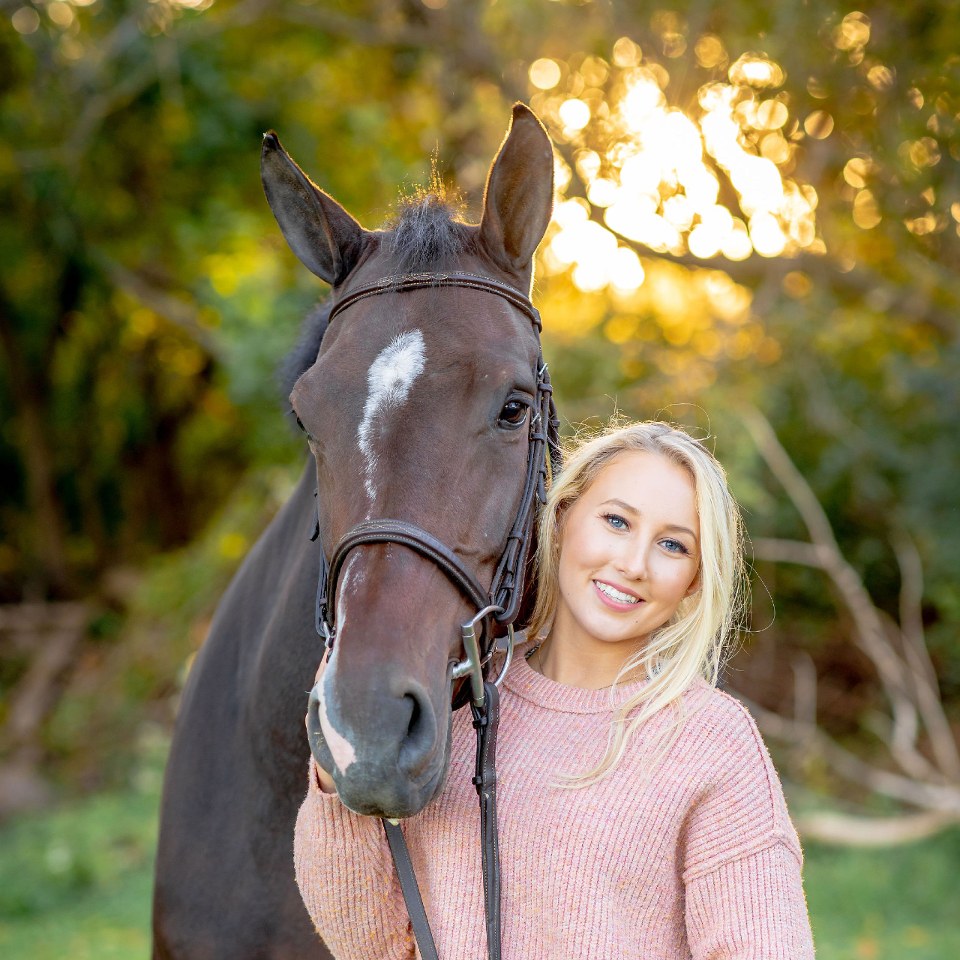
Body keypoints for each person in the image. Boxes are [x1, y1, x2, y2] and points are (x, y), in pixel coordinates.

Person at [294, 421, 816, 959]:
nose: (633, 564)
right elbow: (375, 948)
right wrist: (338, 774)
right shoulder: (456, 700)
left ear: (695, 581)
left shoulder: (711, 742)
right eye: (616, 521)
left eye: (672, 545)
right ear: (563, 518)